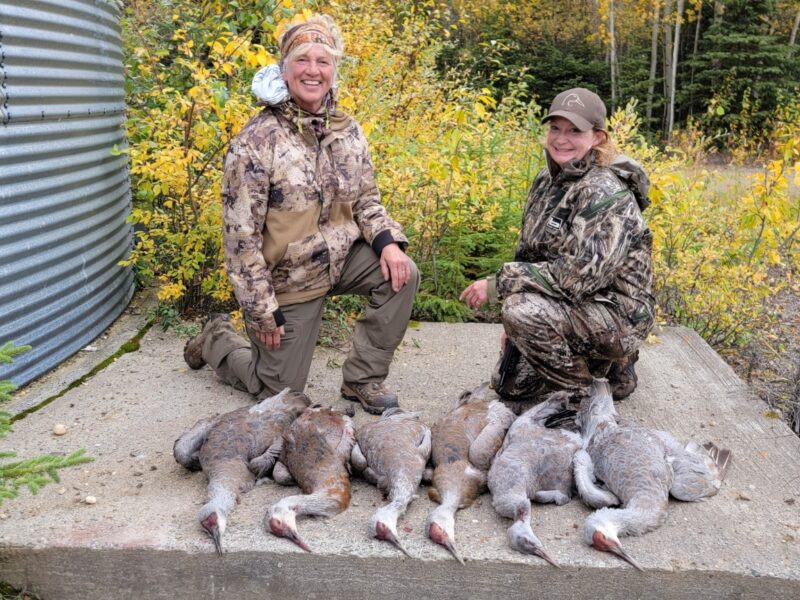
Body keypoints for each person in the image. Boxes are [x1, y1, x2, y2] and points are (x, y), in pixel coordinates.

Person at [184, 14, 418, 415]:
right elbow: (240, 242)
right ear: (284, 69)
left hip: (342, 258)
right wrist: (261, 310)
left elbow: (367, 200)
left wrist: (387, 244)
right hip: (288, 280)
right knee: (279, 394)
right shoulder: (256, 142)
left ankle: (363, 379)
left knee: (402, 273)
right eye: (302, 60)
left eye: (323, 61)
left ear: (334, 69)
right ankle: (217, 339)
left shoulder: (347, 129)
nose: (313, 70)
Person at [459, 87, 654, 403]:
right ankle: (603, 362)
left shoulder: (605, 192)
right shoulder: (546, 180)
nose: (561, 139)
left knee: (521, 311)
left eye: (574, 131)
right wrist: (516, 335)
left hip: (617, 313)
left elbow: (580, 277)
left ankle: (581, 394)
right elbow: (528, 252)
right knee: (509, 386)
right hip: (571, 305)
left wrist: (501, 286)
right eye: (555, 128)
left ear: (598, 138)